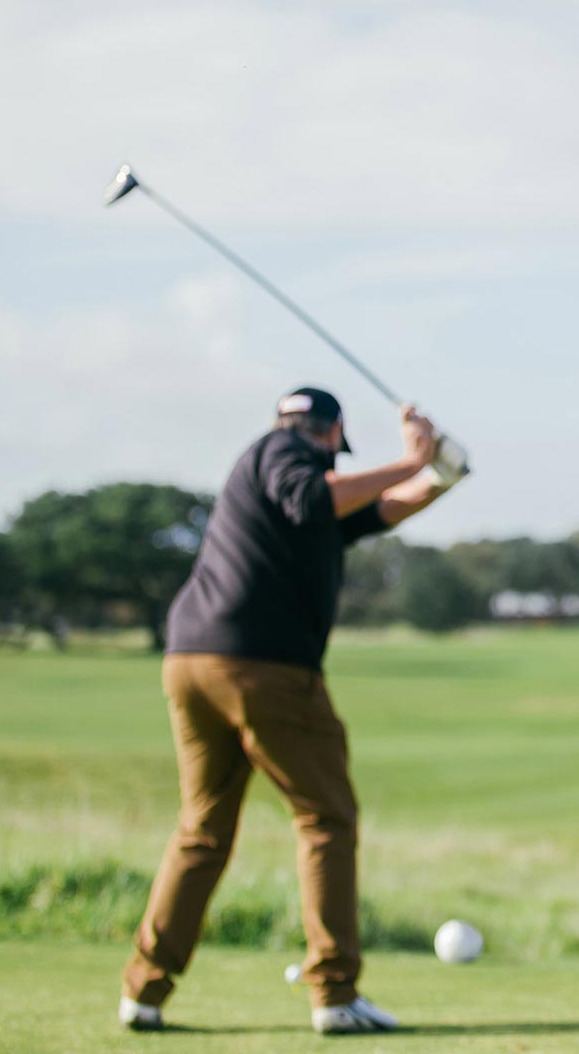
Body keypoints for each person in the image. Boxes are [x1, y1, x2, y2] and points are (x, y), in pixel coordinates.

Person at [118, 386, 464, 1035]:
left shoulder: (287, 492)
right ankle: (334, 994)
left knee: (202, 830)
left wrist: (443, 474)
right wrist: (412, 460)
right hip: (264, 668)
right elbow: (320, 494)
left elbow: (382, 507)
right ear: (329, 435)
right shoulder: (282, 454)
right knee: (326, 818)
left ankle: (144, 991)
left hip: (191, 661)